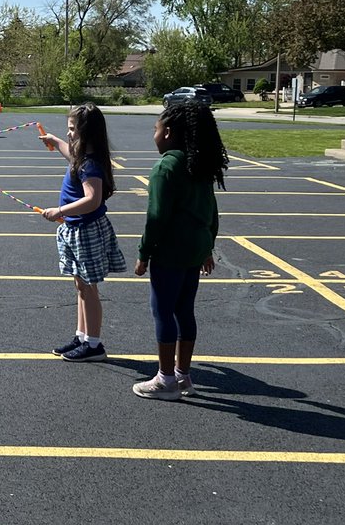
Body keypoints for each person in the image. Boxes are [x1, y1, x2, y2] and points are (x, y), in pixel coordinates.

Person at [132, 101, 228, 401]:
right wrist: (208, 248)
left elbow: (157, 217)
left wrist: (144, 253)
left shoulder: (166, 167)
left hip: (170, 252)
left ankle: (165, 380)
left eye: (156, 129)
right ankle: (184, 374)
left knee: (162, 310)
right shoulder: (197, 163)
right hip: (195, 250)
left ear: (169, 132)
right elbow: (211, 213)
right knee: (185, 310)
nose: (154, 134)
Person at [39, 103, 127, 362]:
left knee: (88, 288)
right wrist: (54, 141)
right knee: (80, 285)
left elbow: (93, 199)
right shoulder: (83, 158)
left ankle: (94, 344)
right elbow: (71, 156)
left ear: (86, 133)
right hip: (75, 228)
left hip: (85, 231)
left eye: (72, 130)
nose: (69, 134)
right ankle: (82, 336)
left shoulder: (90, 165)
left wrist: (60, 210)